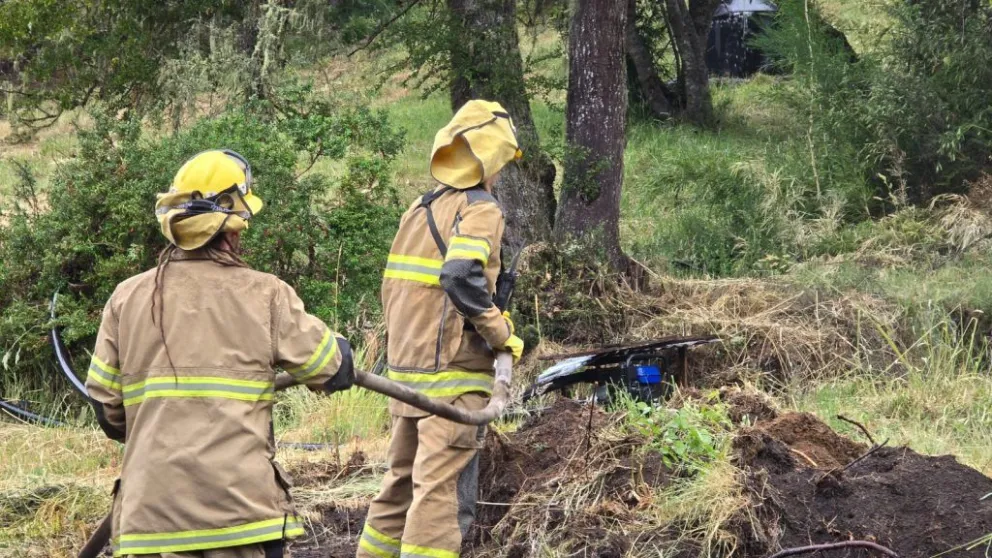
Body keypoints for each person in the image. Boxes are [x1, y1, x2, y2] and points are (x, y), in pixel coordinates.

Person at [85, 149, 355, 558]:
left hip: (152, 518)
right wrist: (340, 346)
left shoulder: (127, 298)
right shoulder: (266, 294)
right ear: (233, 228)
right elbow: (331, 369)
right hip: (240, 517)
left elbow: (107, 408)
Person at [357, 100, 525, 558]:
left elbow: (396, 288)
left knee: (397, 489)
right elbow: (459, 276)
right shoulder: (480, 209)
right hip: (452, 380)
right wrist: (498, 331)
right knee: (438, 497)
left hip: (406, 378)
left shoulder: (420, 206)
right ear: (493, 160)